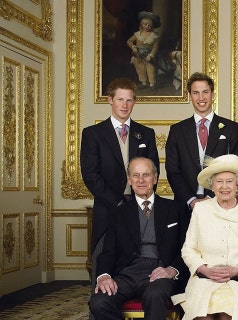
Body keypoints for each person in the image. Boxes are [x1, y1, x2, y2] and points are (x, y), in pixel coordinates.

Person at [172, 154, 238, 320]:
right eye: (219, 181)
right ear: (212, 185)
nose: (224, 187)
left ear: (237, 184)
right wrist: (205, 270)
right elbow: (188, 249)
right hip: (205, 278)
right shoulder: (201, 210)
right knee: (202, 315)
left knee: (228, 314)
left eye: (229, 181)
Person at [80, 77, 160, 282]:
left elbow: (153, 170)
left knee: (140, 261)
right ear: (110, 100)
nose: (125, 105)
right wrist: (117, 202)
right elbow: (90, 174)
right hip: (107, 208)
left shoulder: (146, 134)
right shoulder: (93, 134)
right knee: (104, 262)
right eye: (120, 100)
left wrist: (139, 200)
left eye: (129, 100)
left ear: (134, 102)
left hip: (141, 207)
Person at [89, 157, 188, 320]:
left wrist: (172, 270)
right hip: (126, 273)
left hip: (159, 271)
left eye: (146, 175)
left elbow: (187, 247)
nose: (141, 180)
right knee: (99, 302)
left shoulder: (175, 209)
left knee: (154, 294)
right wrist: (104, 276)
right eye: (135, 175)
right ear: (129, 179)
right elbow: (108, 252)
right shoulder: (118, 213)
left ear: (155, 178)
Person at [165, 72, 238, 211]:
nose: (201, 98)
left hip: (220, 203)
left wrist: (210, 198)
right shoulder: (177, 130)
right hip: (185, 206)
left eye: (205, 92)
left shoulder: (231, 128)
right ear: (190, 96)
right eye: (196, 93)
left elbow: (234, 168)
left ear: (213, 95)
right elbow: (173, 171)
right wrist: (191, 200)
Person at [126, 11, 161, 89]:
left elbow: (155, 47)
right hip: (138, 55)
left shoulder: (154, 36)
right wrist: (134, 47)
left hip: (148, 56)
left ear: (152, 27)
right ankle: (143, 83)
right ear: (142, 24)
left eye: (149, 25)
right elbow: (129, 41)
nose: (147, 26)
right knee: (140, 69)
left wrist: (150, 55)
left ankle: (152, 84)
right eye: (145, 24)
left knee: (151, 70)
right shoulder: (138, 34)